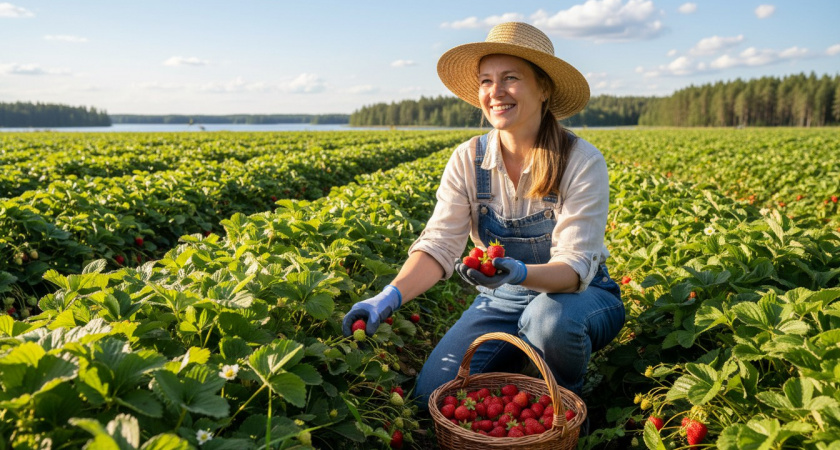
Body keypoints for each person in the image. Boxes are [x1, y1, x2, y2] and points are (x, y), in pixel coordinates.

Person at [342, 22, 625, 408]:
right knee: (431, 397)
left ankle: (568, 404)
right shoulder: (468, 159)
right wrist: (388, 296)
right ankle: (523, 361)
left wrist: (520, 271)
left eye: (511, 78)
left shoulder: (580, 160)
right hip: (504, 298)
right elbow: (440, 245)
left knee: (548, 321)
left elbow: (575, 269)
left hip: (579, 297)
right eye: (486, 81)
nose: (496, 92)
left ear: (543, 88)